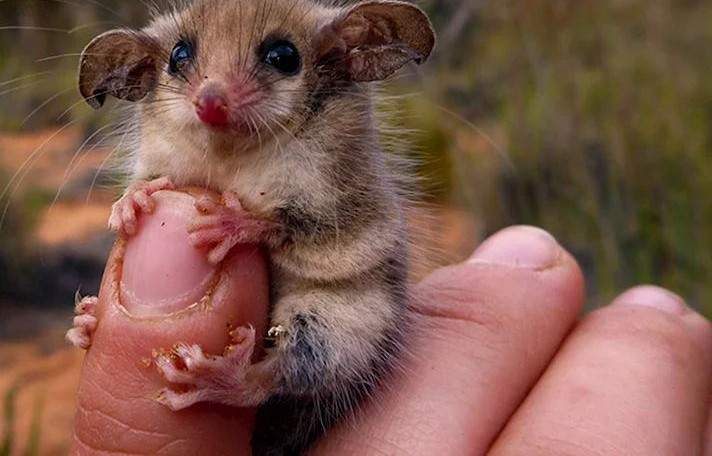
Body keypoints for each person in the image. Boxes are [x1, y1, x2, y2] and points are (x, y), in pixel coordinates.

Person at [70, 190, 712, 455]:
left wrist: (268, 226)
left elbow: (355, 240)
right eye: (183, 63)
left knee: (330, 329)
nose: (211, 97)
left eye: (278, 60)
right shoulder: (169, 148)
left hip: (319, 318)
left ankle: (254, 378)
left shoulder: (330, 155)